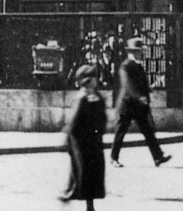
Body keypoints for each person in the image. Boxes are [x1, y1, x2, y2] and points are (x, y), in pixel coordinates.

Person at [110, 37, 171, 167]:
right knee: (121, 131)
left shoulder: (138, 66)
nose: (139, 53)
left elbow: (140, 84)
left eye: (139, 51)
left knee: (148, 131)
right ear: (130, 52)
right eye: (136, 51)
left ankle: (158, 157)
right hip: (127, 105)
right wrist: (140, 96)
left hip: (138, 106)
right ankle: (113, 157)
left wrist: (148, 88)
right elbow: (128, 85)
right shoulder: (125, 66)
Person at [61, 64, 109, 210]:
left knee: (92, 171)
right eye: (90, 81)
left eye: (94, 80)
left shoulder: (98, 97)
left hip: (94, 141)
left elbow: (103, 117)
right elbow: (73, 120)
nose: (93, 83)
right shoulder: (81, 98)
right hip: (80, 140)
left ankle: (81, 198)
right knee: (82, 169)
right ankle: (78, 196)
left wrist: (101, 131)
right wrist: (67, 137)